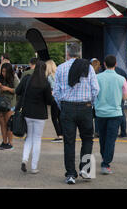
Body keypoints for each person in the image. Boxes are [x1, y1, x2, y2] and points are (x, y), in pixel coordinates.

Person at [53, 43, 99, 185]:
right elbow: (96, 89)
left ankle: (71, 174)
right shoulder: (88, 67)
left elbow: (56, 92)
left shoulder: (60, 68)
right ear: (79, 53)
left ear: (67, 54)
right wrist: (90, 103)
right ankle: (85, 169)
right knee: (87, 139)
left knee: (69, 142)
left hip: (67, 108)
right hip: (85, 107)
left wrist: (63, 106)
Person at [16, 61, 54, 174]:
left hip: (28, 113)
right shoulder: (45, 83)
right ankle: (34, 167)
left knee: (29, 137)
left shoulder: (28, 79)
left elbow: (18, 91)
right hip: (40, 114)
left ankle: (24, 159)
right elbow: (49, 101)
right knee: (37, 139)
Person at [94, 55, 127, 175]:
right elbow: (125, 96)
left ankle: (104, 157)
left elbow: (94, 93)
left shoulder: (97, 77)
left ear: (104, 64)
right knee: (111, 139)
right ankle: (106, 164)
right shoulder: (121, 79)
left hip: (100, 112)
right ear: (116, 64)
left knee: (102, 137)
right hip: (115, 112)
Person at [0, 62, 18, 150]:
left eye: (6, 72)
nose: (4, 73)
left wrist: (8, 89)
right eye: (2, 71)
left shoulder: (14, 79)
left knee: (8, 124)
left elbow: (18, 90)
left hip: (10, 104)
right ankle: (4, 142)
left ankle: (10, 143)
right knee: (2, 123)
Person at [46, 59, 62, 143]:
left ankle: (59, 135)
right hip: (60, 98)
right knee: (60, 117)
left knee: (54, 118)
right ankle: (62, 134)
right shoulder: (58, 75)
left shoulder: (49, 77)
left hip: (54, 99)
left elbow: (51, 89)